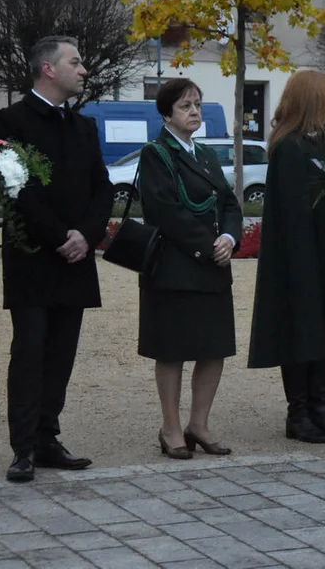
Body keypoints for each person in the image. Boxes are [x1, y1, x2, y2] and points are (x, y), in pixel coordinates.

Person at [0, 36, 113, 482]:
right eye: (75, 62)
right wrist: (61, 235)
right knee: (30, 352)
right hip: (33, 257)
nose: (83, 70)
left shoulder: (83, 127)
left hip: (76, 258)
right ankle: (22, 447)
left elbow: (103, 187)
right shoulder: (10, 120)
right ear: (47, 69)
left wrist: (88, 235)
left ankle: (47, 438)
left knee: (61, 354)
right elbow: (17, 188)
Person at [248, 70, 325, 443]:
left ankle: (320, 408)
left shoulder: (320, 143)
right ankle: (298, 413)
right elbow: (303, 206)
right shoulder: (290, 147)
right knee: (301, 335)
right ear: (312, 100)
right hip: (299, 258)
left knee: (323, 336)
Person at [137, 78, 243, 459]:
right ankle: (170, 428)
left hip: (212, 265)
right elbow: (165, 209)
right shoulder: (156, 153)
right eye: (185, 106)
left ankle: (199, 423)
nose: (195, 111)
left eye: (197, 104)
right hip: (174, 267)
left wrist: (230, 239)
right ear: (166, 113)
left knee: (213, 348)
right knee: (172, 350)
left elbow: (230, 203)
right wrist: (206, 247)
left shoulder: (207, 156)